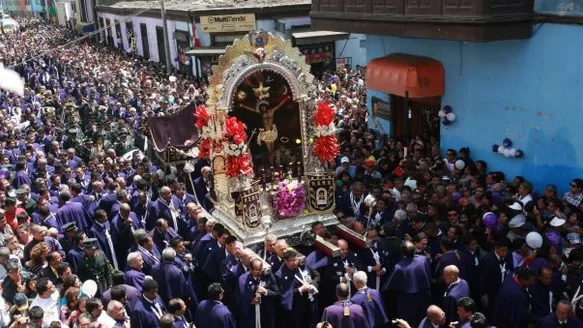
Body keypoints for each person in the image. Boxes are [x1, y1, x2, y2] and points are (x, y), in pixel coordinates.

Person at [383, 240, 432, 327]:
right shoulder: (423, 260)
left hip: (407, 300)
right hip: (424, 295)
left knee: (407, 322)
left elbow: (388, 286)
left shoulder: (398, 267)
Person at [236, 257, 279, 328]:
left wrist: (266, 292)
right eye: (257, 270)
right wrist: (251, 302)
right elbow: (239, 299)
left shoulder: (268, 275)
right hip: (251, 315)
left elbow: (277, 293)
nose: (260, 272)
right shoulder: (242, 280)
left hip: (266, 314)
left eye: (261, 269)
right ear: (251, 269)